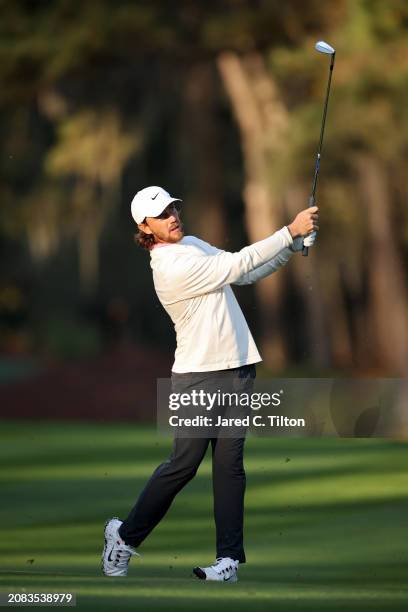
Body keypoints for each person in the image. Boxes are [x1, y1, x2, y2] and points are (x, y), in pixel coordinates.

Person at [101, 186, 318, 581]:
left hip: (237, 368)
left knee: (229, 465)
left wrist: (290, 247)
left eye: (174, 208)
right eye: (163, 213)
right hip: (196, 375)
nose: (173, 216)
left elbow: (248, 272)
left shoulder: (194, 245)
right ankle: (124, 537)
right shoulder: (168, 268)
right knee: (183, 464)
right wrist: (289, 230)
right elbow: (237, 265)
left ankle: (228, 560)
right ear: (144, 226)